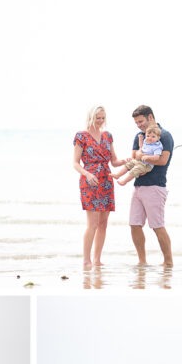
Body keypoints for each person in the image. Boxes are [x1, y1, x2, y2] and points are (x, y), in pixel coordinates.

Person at [73, 106, 125, 268]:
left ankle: (97, 259)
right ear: (91, 117)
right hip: (90, 181)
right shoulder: (81, 136)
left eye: (103, 118)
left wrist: (126, 161)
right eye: (98, 118)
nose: (101, 121)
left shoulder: (107, 136)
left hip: (106, 181)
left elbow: (114, 161)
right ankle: (86, 260)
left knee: (103, 223)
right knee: (92, 224)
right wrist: (87, 174)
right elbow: (75, 163)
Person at [129, 105, 174, 267]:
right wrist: (141, 156)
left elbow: (162, 160)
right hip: (138, 186)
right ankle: (142, 262)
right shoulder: (139, 136)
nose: (139, 125)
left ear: (150, 117)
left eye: (141, 121)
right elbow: (133, 156)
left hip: (155, 186)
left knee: (157, 226)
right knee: (134, 224)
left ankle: (168, 262)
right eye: (136, 123)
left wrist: (142, 156)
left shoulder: (165, 136)